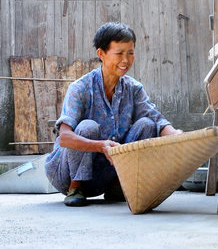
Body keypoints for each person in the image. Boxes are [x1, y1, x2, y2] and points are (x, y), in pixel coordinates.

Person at [45, 21, 182, 207]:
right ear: (101, 54)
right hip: (66, 172)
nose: (126, 60)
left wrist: (177, 137)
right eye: (119, 53)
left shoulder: (133, 88)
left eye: (130, 52)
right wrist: (101, 146)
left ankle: (119, 186)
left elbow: (157, 120)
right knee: (87, 126)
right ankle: (76, 187)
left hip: (106, 173)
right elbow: (65, 138)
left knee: (147, 125)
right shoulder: (80, 88)